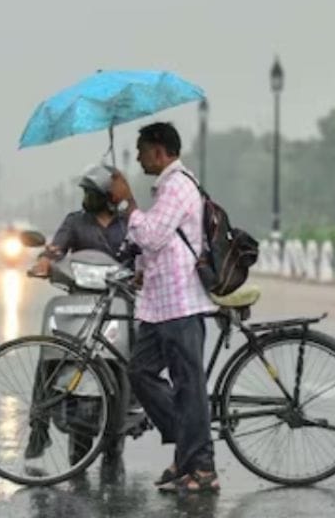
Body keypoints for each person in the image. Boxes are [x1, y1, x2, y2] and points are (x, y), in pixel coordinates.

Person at [109, 122, 219, 494]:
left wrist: (127, 203)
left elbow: (153, 235)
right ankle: (188, 447)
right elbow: (159, 241)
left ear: (159, 151)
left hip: (181, 302)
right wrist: (139, 269)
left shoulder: (177, 185)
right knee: (140, 372)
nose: (138, 156)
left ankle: (202, 468)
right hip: (159, 304)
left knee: (190, 387)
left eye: (141, 149)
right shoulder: (165, 188)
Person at [25, 164, 130, 460]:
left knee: (123, 365)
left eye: (92, 193)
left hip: (117, 306)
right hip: (78, 305)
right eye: (85, 192)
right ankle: (39, 426)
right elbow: (55, 249)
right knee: (50, 357)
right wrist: (45, 261)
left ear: (109, 196)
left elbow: (142, 256)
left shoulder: (128, 225)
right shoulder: (75, 222)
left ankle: (119, 426)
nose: (86, 198)